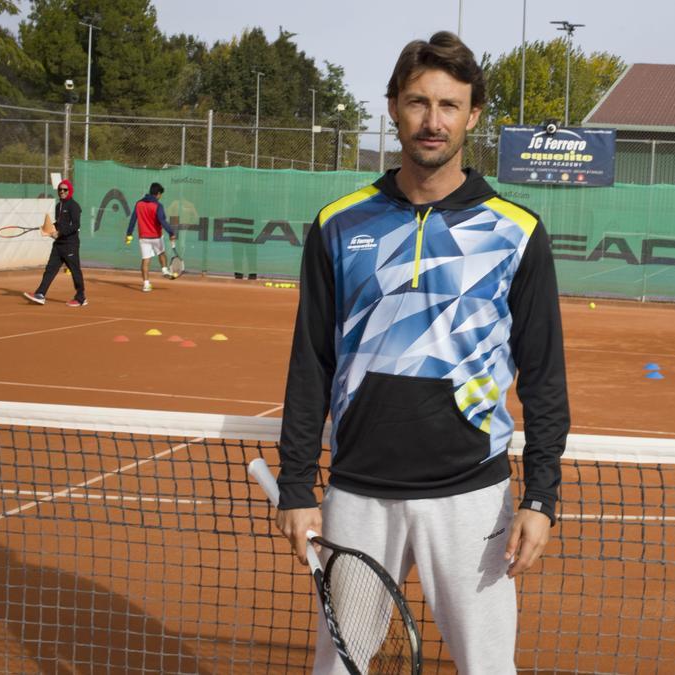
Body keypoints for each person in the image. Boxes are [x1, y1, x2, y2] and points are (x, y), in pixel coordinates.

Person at [274, 31, 569, 673]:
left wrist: (541, 498)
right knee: (340, 669)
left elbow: (545, 379)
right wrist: (296, 487)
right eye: (417, 103)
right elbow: (310, 365)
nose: (432, 121)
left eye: (449, 105)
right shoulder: (338, 223)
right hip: (357, 493)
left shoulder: (516, 233)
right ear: (392, 108)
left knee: (488, 668)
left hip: (472, 496)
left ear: (474, 116)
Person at [23, 178, 86, 307]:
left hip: (70, 245)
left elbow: (75, 225)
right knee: (50, 269)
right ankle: (40, 294)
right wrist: (48, 228)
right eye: (60, 189)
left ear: (70, 191)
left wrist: (60, 233)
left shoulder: (74, 206)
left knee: (75, 271)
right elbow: (59, 223)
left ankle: (81, 298)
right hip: (59, 245)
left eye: (65, 189)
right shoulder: (59, 206)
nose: (62, 192)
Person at [124, 182, 177, 292]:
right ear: (157, 194)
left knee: (145, 260)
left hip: (143, 237)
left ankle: (146, 284)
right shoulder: (158, 205)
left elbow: (133, 219)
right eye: (160, 194)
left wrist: (129, 233)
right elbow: (162, 221)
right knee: (161, 253)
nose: (160, 196)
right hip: (156, 236)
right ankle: (164, 270)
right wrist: (171, 233)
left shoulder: (138, 204)